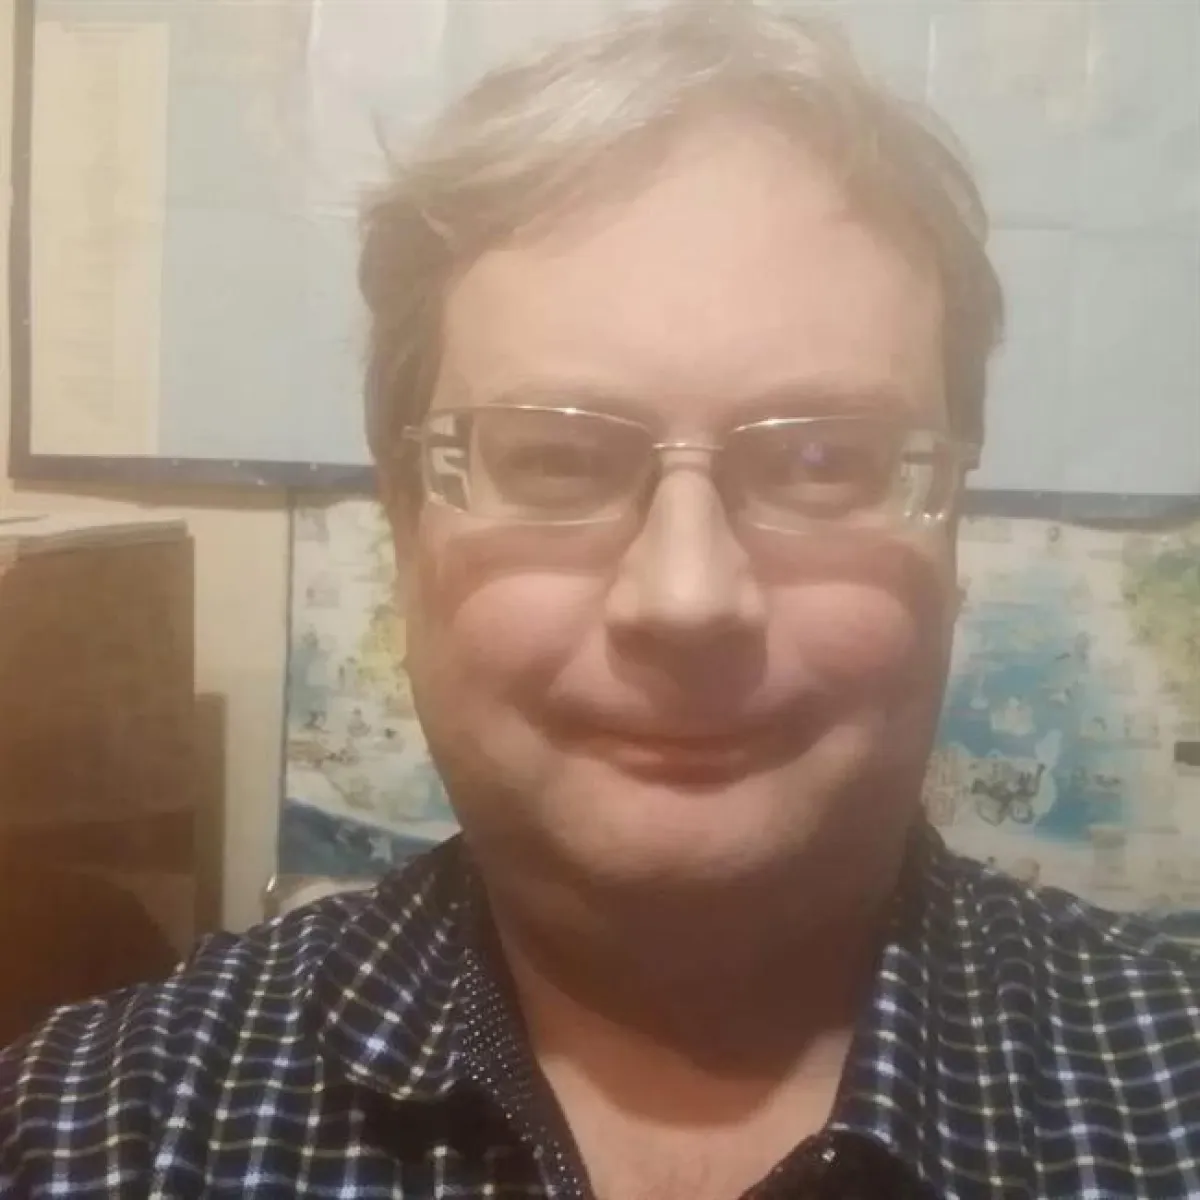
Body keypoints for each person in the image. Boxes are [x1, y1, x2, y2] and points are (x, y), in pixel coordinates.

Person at [3, 4, 1198, 1197]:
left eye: (823, 462)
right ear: (406, 525)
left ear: (952, 527)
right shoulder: (91, 1129)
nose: (687, 599)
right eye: (557, 461)